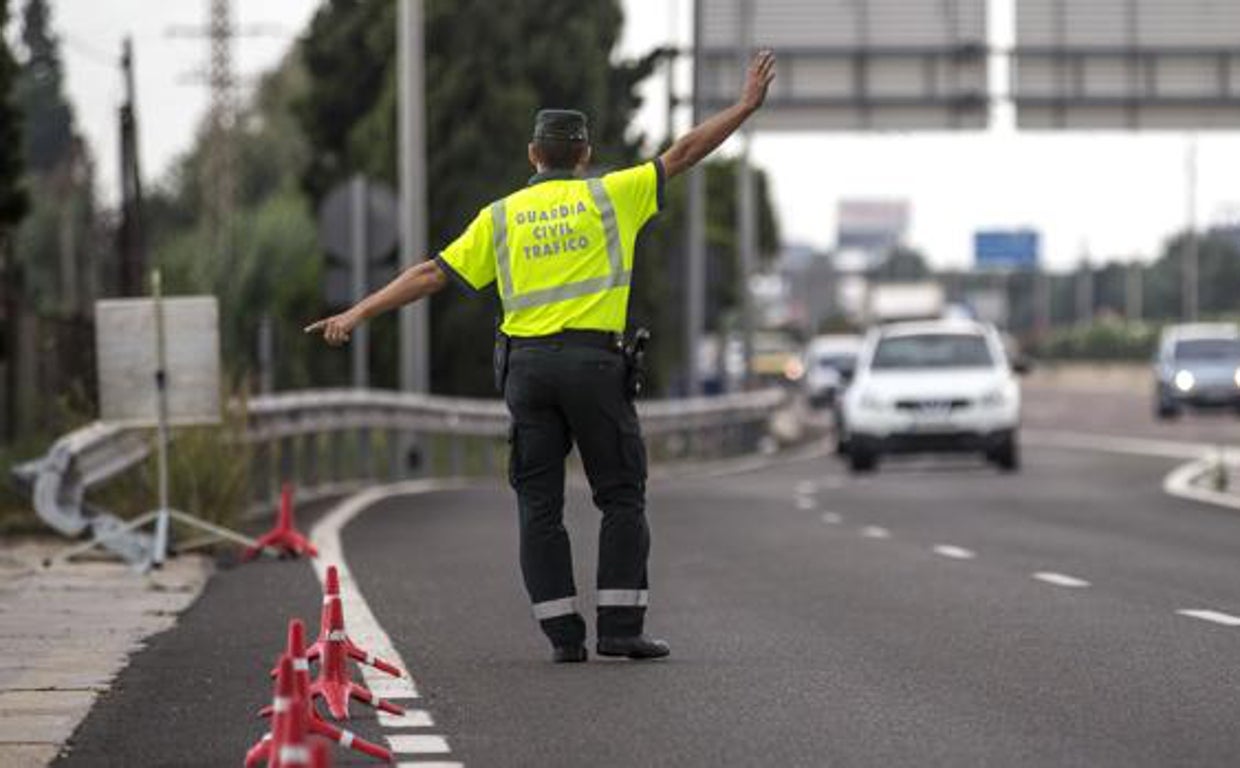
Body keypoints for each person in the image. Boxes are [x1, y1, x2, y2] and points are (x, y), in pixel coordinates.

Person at [306, 50, 777, 663]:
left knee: (538, 505)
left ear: (533, 155)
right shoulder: (615, 195)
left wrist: (356, 313)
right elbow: (684, 152)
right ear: (583, 155)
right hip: (594, 368)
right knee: (621, 496)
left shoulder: (500, 217)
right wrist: (744, 106)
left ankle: (563, 637)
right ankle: (619, 629)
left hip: (527, 373)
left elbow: (430, 274)